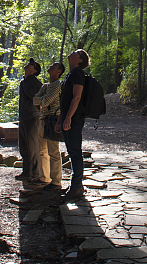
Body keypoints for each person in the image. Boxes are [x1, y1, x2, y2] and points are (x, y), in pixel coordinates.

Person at [56, 49, 89, 201]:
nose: (72, 53)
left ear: (80, 60)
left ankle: (77, 187)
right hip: (68, 119)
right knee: (72, 151)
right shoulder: (70, 75)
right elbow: (66, 100)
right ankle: (75, 186)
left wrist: (68, 118)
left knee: (75, 152)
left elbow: (76, 97)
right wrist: (60, 119)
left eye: (76, 52)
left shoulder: (77, 75)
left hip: (74, 120)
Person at [33, 61, 65, 190]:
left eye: (54, 66)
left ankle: (56, 180)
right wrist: (43, 100)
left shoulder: (58, 85)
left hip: (53, 120)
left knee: (53, 151)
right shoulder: (46, 85)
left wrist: (42, 100)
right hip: (43, 120)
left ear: (59, 72)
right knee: (41, 150)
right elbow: (35, 100)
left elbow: (45, 101)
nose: (50, 67)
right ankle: (44, 177)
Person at [15, 58, 42, 181]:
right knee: (24, 146)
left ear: (34, 70)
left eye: (31, 64)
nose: (28, 64)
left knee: (32, 146)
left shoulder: (36, 83)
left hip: (32, 116)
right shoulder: (23, 81)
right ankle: (26, 172)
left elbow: (37, 98)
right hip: (23, 117)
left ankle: (35, 174)